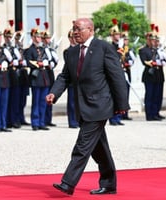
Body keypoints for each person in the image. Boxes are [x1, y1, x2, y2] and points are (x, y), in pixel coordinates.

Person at [46, 18, 129, 195]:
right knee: (99, 149)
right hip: (82, 105)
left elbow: (117, 76)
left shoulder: (103, 47)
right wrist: (54, 93)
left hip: (100, 105)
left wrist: (122, 104)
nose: (75, 32)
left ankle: (68, 183)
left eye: (79, 29)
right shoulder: (72, 52)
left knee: (82, 146)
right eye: (73, 29)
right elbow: (65, 77)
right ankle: (109, 184)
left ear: (90, 30)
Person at [25, 18, 51, 131]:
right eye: (36, 37)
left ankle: (42, 121)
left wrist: (46, 62)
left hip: (44, 77)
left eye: (40, 37)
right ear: (32, 37)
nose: (39, 38)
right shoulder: (30, 50)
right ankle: (35, 122)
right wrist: (38, 64)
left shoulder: (43, 49)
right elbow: (28, 62)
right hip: (36, 77)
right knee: (36, 102)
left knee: (43, 101)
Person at [138, 24, 165, 121]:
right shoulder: (143, 50)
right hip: (149, 75)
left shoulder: (158, 50)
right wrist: (153, 62)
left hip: (159, 75)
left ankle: (156, 112)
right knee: (150, 95)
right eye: (152, 40)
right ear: (148, 40)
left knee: (158, 95)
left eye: (155, 40)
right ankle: (149, 114)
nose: (154, 41)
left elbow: (164, 59)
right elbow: (144, 61)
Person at [108, 18, 124, 126]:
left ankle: (118, 117)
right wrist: (119, 53)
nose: (118, 36)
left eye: (119, 35)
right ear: (112, 36)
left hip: (120, 73)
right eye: (116, 35)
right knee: (113, 96)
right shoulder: (110, 47)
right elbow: (112, 59)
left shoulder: (121, 46)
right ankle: (112, 118)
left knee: (120, 95)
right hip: (112, 74)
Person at [41, 21, 58, 127]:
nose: (48, 40)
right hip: (43, 75)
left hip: (50, 74)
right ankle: (42, 120)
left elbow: (55, 61)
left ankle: (48, 119)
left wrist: (53, 62)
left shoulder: (51, 49)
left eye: (49, 38)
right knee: (43, 99)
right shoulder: (41, 50)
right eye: (46, 38)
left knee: (50, 98)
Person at [120, 23, 136, 121]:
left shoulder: (128, 50)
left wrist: (129, 62)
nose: (126, 41)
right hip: (120, 73)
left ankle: (125, 113)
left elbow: (132, 59)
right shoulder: (119, 49)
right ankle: (120, 113)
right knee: (120, 93)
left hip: (127, 72)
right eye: (125, 39)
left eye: (127, 40)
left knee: (127, 93)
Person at [64, 29, 79, 128]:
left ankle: (78, 120)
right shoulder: (67, 51)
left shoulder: (80, 49)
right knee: (72, 102)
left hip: (80, 79)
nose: (74, 39)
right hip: (72, 79)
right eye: (72, 37)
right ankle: (72, 121)